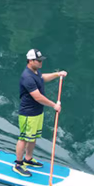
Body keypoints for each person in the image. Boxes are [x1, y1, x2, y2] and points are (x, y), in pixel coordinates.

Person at [13, 49, 67, 177]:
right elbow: (37, 97)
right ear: (31, 61)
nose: (41, 62)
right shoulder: (27, 77)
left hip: (37, 112)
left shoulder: (35, 72)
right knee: (24, 139)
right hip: (28, 114)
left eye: (41, 60)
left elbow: (42, 78)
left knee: (33, 137)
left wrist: (57, 74)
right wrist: (54, 105)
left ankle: (28, 159)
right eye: (38, 60)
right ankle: (19, 164)